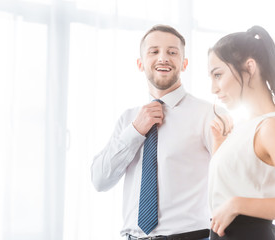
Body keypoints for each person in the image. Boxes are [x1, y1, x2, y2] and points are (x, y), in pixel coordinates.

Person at [91, 24, 228, 240]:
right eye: (153, 51)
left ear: (184, 63)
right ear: (140, 63)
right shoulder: (128, 119)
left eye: (172, 52)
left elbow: (232, 180)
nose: (163, 58)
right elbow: (100, 180)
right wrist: (135, 131)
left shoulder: (210, 114)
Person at [207, 25, 275, 240]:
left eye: (218, 75)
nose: (213, 88)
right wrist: (219, 144)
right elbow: (232, 185)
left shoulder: (272, 126)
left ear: (250, 67)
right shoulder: (247, 126)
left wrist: (236, 204)